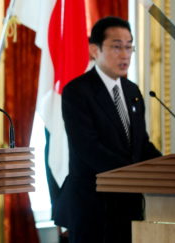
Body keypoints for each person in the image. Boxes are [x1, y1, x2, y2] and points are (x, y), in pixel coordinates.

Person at [54, 16, 161, 243]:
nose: (125, 54)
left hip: (128, 207)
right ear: (95, 50)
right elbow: (89, 148)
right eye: (117, 47)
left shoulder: (133, 91)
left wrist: (169, 167)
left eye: (129, 47)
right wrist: (137, 175)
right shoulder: (77, 91)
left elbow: (141, 144)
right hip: (92, 208)